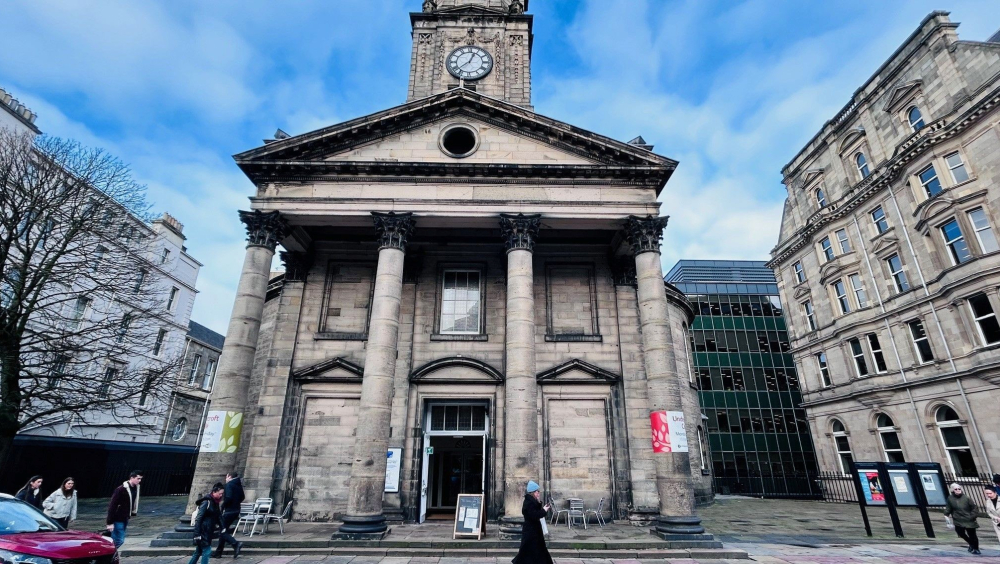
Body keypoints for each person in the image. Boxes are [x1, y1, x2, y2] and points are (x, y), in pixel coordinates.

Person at [511, 480, 552, 564]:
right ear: (533, 492)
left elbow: (536, 512)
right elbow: (534, 515)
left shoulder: (531, 501)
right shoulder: (528, 502)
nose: (538, 493)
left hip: (534, 531)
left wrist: (542, 507)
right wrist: (544, 510)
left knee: (537, 551)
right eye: (537, 491)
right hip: (531, 531)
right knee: (527, 552)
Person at [106, 470, 143, 550]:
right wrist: (109, 522)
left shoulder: (136, 488)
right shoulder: (121, 489)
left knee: (117, 539)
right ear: (132, 478)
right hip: (117, 518)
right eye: (138, 478)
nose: (139, 481)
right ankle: (108, 555)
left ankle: (110, 555)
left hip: (125, 517)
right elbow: (112, 505)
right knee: (119, 540)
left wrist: (132, 512)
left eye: (140, 479)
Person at [190, 485, 225, 564]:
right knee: (207, 551)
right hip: (203, 531)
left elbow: (218, 515)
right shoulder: (206, 502)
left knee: (198, 552)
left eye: (222, 493)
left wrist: (222, 527)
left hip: (208, 530)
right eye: (220, 493)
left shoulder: (215, 502)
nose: (221, 495)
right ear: (214, 492)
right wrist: (197, 534)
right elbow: (199, 518)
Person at [214, 472, 244, 558]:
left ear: (229, 476)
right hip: (236, 510)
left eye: (226, 477)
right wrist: (236, 503)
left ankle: (236, 543)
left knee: (222, 531)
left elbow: (229, 497)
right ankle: (218, 553)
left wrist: (223, 506)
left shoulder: (229, 485)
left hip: (229, 511)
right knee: (223, 530)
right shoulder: (238, 485)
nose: (225, 479)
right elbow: (242, 497)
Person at [945, 482, 981, 555]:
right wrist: (946, 514)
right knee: (960, 533)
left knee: (972, 534)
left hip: (968, 519)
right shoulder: (950, 498)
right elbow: (949, 507)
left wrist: (972, 516)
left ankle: (976, 548)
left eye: (959, 489)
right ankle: (971, 543)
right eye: (956, 489)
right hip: (958, 519)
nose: (958, 490)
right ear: (952, 490)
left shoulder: (966, 498)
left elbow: (974, 508)